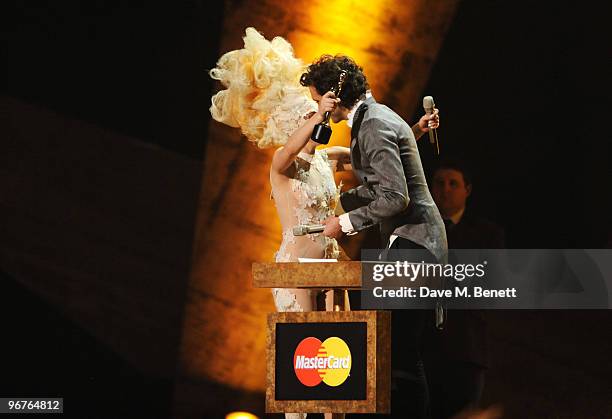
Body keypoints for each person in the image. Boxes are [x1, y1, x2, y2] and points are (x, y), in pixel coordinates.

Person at [209, 27, 346, 419]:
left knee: (341, 374)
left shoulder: (326, 159)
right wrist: (316, 115)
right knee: (304, 376)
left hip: (332, 270)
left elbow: (373, 156)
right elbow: (289, 151)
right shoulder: (282, 167)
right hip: (297, 272)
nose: (315, 122)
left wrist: (415, 132)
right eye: (306, 118)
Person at [299, 54, 446, 419]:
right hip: (413, 243)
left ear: (334, 95)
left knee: (399, 351)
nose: (318, 105)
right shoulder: (373, 117)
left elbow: (396, 197)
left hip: (417, 245)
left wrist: (344, 222)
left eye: (319, 98)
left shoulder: (373, 124)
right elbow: (381, 185)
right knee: (395, 348)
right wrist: (336, 201)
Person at [425, 157, 505, 419]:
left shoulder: (487, 234)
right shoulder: (414, 230)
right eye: (439, 183)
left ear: (467, 189)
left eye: (453, 183)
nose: (445, 189)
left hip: (466, 348)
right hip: (422, 349)